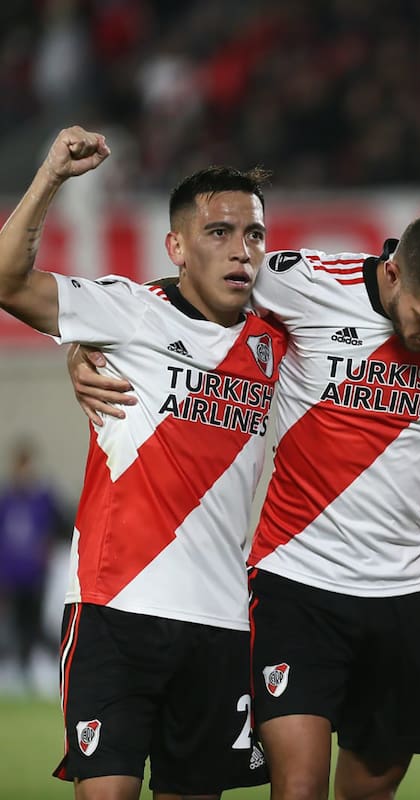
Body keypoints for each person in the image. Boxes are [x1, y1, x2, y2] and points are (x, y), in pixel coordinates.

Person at [74, 221, 420, 800]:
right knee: (300, 785)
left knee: (372, 789)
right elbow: (197, 288)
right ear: (393, 272)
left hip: (405, 590)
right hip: (296, 581)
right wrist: (89, 343)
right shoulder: (302, 283)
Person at [0, 126, 278, 798]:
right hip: (113, 611)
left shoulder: (279, 340)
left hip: (218, 620)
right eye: (219, 233)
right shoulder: (126, 311)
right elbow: (7, 282)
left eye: (254, 234)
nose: (242, 250)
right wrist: (51, 179)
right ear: (176, 247)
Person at [0, 439, 70, 692]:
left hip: (38, 575)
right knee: (15, 623)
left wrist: (50, 546)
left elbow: (65, 525)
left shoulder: (44, 497)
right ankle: (17, 669)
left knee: (37, 622)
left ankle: (38, 668)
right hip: (11, 576)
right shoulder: (7, 499)